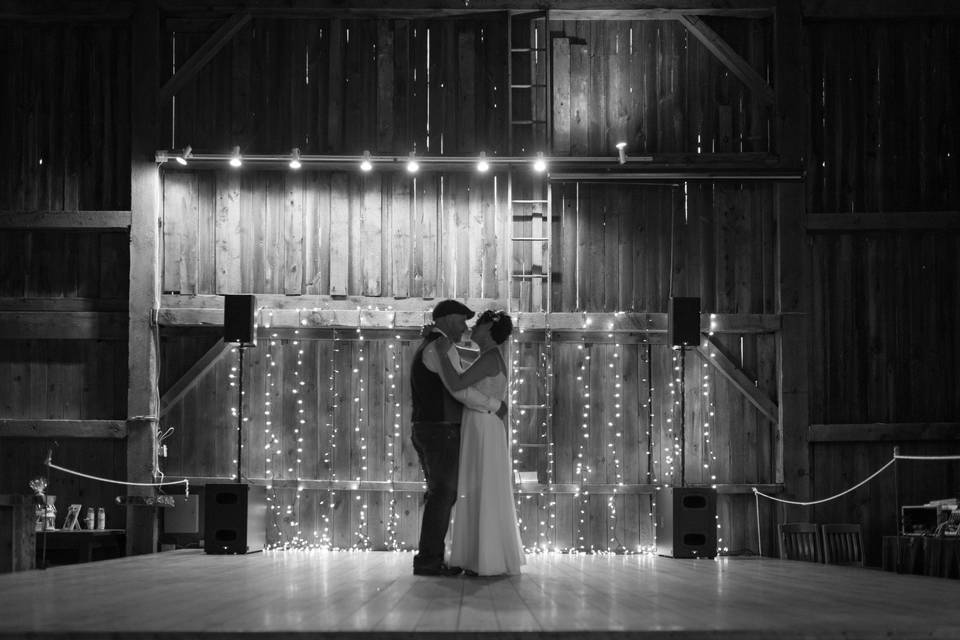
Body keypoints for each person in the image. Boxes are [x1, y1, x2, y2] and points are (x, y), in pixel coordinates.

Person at [410, 300, 508, 576]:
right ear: (448, 319)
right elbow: (459, 391)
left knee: (441, 493)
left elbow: (465, 375)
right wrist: (495, 405)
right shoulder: (437, 348)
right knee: (444, 493)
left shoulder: (437, 345)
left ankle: (433, 558)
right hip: (439, 429)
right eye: (462, 320)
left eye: (470, 323)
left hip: (431, 427)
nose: (466, 327)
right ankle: (429, 560)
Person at [435, 310, 525, 576]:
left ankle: (486, 558)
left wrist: (442, 353)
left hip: (483, 425)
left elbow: (456, 383)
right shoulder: (488, 357)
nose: (472, 327)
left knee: (481, 487)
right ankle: (478, 556)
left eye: (478, 324)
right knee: (476, 487)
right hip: (482, 423)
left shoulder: (489, 358)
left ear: (488, 328)